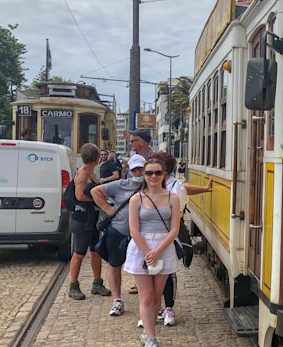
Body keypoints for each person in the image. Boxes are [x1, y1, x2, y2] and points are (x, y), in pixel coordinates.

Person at [142, 152, 211, 327]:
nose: (152, 174)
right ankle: (152, 309)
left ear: (164, 170)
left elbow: (176, 212)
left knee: (167, 273)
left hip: (167, 236)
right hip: (149, 236)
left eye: (156, 170)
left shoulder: (176, 186)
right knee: (149, 274)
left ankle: (168, 308)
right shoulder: (147, 186)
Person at [124, 157, 180, 347]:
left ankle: (148, 333)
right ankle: (151, 339)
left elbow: (174, 229)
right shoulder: (136, 199)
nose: (153, 176)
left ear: (164, 175)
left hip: (163, 248)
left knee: (157, 296)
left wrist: (158, 251)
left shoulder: (172, 198)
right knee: (146, 296)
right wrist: (148, 252)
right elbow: (134, 230)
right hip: (141, 249)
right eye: (149, 173)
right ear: (144, 175)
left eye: (157, 173)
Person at [90, 154, 147, 316]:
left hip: (143, 235)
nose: (138, 173)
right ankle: (117, 300)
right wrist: (107, 208)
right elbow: (95, 191)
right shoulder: (121, 185)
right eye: (135, 170)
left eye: (141, 169)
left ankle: (148, 302)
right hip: (119, 232)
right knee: (114, 264)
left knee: (145, 268)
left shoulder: (152, 186)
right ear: (129, 170)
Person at [68, 144, 112, 300]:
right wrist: (99, 200)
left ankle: (97, 283)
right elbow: (79, 196)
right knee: (79, 252)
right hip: (82, 218)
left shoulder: (91, 173)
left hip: (92, 218)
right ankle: (73, 286)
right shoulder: (83, 174)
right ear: (96, 158)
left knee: (95, 250)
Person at [126, 128, 154, 296]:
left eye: (133, 140)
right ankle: (141, 279)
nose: (130, 143)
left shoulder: (154, 159)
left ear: (141, 142)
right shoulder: (135, 159)